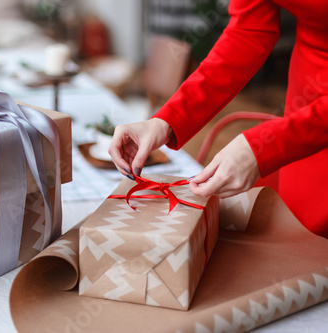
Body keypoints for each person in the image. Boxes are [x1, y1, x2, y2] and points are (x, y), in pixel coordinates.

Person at [109, 0, 328, 238]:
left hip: (314, 124)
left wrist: (266, 147)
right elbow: (248, 32)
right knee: (296, 235)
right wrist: (167, 120)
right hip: (306, 98)